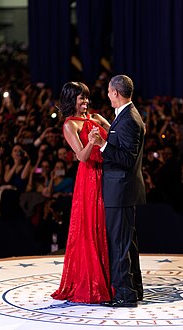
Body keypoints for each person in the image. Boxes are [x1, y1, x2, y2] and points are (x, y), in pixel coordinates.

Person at [51, 81, 112, 304]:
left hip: (106, 174)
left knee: (104, 225)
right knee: (89, 226)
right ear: (71, 100)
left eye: (86, 97)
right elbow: (81, 156)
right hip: (88, 178)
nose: (85, 102)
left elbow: (114, 130)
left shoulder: (95, 118)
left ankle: (108, 278)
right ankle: (91, 282)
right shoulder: (70, 125)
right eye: (81, 98)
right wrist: (93, 142)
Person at [89, 75, 146, 308]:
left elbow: (127, 158)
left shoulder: (129, 120)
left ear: (115, 93)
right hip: (123, 191)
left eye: (109, 92)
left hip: (120, 191)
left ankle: (125, 295)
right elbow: (122, 142)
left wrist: (101, 144)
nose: (108, 95)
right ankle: (134, 289)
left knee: (119, 245)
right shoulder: (127, 116)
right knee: (127, 244)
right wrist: (105, 126)